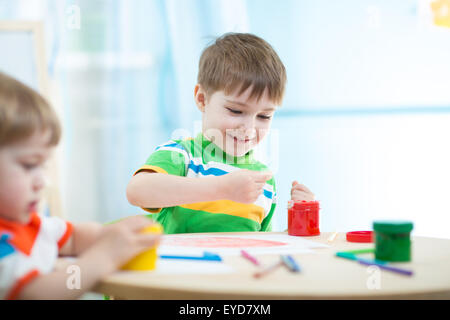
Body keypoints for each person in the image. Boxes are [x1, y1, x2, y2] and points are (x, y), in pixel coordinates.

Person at [126, 33, 315, 234]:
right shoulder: (182, 155)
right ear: (202, 99)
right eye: (236, 111)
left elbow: (265, 245)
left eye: (264, 116)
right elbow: (137, 191)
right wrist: (223, 188)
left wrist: (302, 214)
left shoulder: (263, 181)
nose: (249, 128)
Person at [0, 71, 160, 300]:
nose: (40, 181)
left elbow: (74, 237)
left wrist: (115, 236)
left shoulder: (33, 226)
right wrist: (103, 257)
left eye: (42, 166)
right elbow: (37, 294)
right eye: (28, 165)